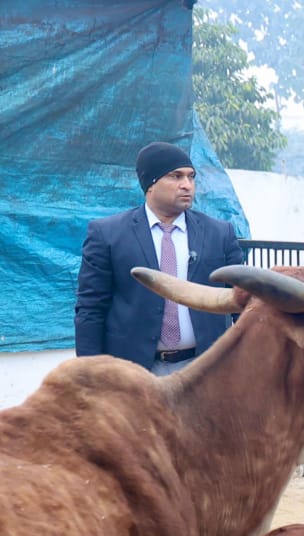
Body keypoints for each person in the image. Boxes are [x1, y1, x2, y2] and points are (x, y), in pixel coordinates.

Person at [74, 141, 244, 375]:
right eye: (176, 176)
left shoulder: (219, 233)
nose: (187, 185)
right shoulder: (108, 235)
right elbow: (91, 308)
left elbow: (242, 303)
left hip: (204, 371)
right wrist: (89, 375)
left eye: (191, 177)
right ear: (150, 184)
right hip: (134, 373)